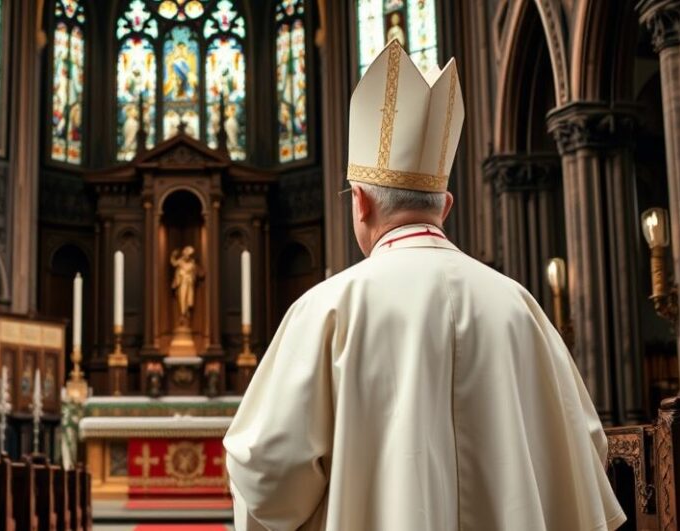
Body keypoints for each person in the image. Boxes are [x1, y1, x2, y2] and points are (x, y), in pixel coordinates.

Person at [223, 39, 625, 531]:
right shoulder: (520, 307)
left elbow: (265, 475)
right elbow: (587, 449)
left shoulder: (327, 309)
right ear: (447, 205)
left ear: (361, 204)